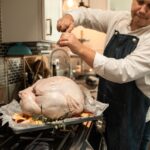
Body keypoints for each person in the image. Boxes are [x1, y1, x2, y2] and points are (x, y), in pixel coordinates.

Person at [57, 0, 150, 149]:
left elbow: (122, 71)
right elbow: (87, 15)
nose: (142, 10)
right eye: (140, 2)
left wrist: (80, 48)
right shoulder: (119, 19)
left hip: (133, 119)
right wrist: (69, 16)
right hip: (107, 110)